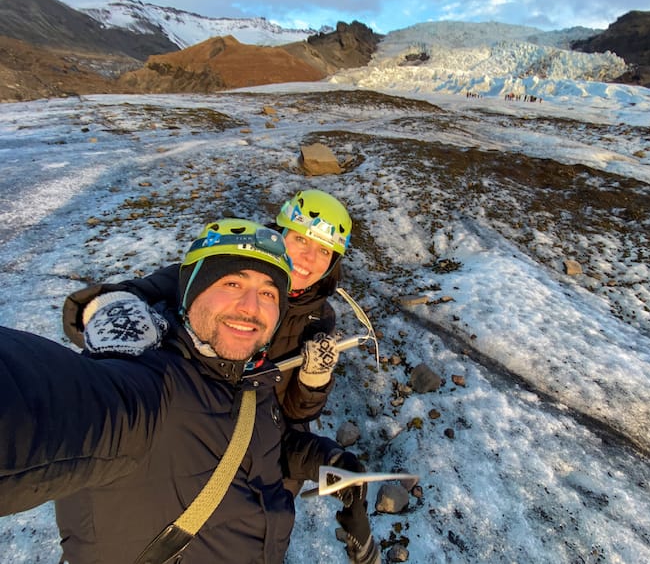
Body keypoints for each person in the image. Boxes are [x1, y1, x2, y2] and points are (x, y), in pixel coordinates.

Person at [0, 218, 379, 564]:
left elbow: (264, 443)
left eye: (268, 294)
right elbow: (52, 406)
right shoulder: (153, 386)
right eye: (232, 283)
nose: (251, 307)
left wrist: (333, 461)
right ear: (190, 291)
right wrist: (109, 310)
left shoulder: (251, 381)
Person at [62, 189, 353, 426]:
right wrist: (116, 318)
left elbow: (294, 417)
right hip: (184, 428)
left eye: (324, 251)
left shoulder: (319, 318)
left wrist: (313, 381)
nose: (307, 258)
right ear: (278, 235)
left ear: (332, 264)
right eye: (300, 239)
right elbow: (121, 297)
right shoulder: (216, 272)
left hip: (260, 449)